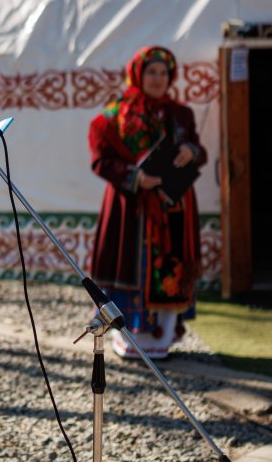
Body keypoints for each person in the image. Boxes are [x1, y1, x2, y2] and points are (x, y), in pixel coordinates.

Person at [88, 45, 206, 360]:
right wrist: (135, 177)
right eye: (151, 71)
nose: (157, 78)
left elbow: (199, 149)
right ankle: (130, 338)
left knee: (169, 268)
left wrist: (190, 152)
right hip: (133, 209)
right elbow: (101, 160)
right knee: (134, 264)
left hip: (173, 205)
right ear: (137, 74)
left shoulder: (181, 113)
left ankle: (163, 338)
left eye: (163, 72)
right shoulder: (115, 116)